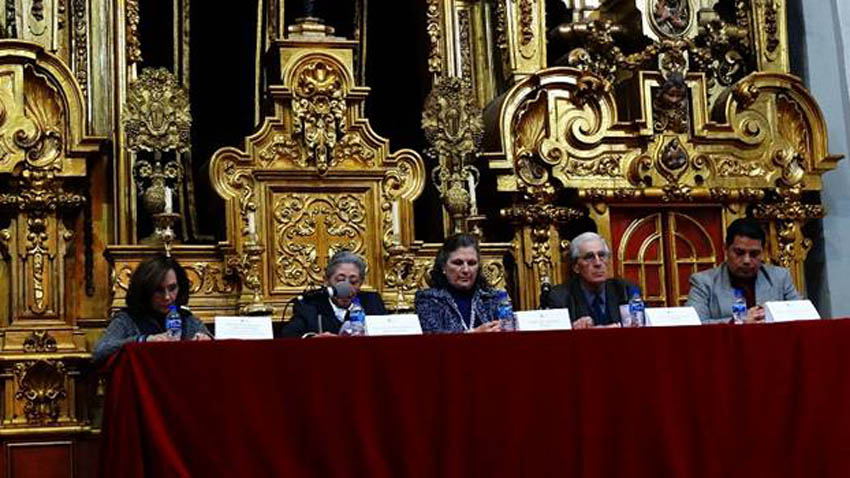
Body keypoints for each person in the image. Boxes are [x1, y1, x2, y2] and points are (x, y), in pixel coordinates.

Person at [92, 255, 212, 362]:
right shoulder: (127, 319)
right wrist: (144, 340)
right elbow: (100, 351)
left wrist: (206, 339)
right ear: (145, 291)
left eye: (172, 288)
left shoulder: (186, 319)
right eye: (159, 290)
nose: (167, 297)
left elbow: (212, 343)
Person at [686, 217, 801, 323]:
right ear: (725, 249)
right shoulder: (704, 282)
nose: (747, 260)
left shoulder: (780, 277)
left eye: (754, 254)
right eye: (739, 253)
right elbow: (693, 325)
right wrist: (739, 321)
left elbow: (803, 317)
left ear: (763, 252)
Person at [280, 250, 387, 338]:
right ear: (326, 281)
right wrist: (312, 338)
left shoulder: (372, 302)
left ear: (361, 283)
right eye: (340, 280)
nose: (346, 287)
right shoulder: (309, 305)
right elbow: (288, 336)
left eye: (353, 282)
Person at [544, 232, 638, 329]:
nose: (598, 263)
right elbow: (553, 336)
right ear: (576, 267)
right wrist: (571, 329)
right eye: (589, 257)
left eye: (601, 255)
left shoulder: (625, 290)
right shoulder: (560, 297)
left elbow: (642, 324)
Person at [415, 234, 505, 333]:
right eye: (458, 263)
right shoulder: (428, 299)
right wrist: (474, 335)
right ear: (443, 267)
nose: (466, 270)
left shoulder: (494, 298)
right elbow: (433, 339)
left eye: (471, 263)